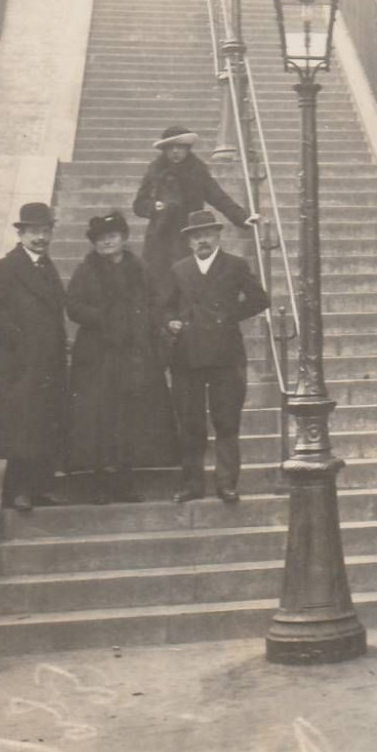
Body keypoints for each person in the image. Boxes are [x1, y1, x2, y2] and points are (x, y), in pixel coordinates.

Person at [65, 211, 178, 504]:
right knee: (100, 419)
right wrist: (104, 319)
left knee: (130, 419)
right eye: (101, 238)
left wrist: (153, 328)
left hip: (133, 356)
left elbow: (155, 303)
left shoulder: (139, 268)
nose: (107, 242)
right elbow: (73, 306)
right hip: (98, 358)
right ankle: (101, 483)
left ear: (124, 238)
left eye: (112, 236)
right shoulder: (86, 269)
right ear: (94, 243)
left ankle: (125, 482)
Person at [163, 210, 269, 504]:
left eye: (207, 234)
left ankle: (227, 483)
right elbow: (166, 307)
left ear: (218, 236)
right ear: (189, 242)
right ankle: (192, 484)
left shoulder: (235, 266)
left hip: (226, 355)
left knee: (227, 422)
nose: (202, 241)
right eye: (196, 237)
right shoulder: (179, 270)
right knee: (190, 422)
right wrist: (171, 322)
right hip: (188, 355)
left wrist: (229, 316)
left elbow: (261, 299)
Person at [0, 202, 68, 512]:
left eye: (45, 231)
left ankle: (40, 488)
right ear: (22, 233)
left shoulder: (47, 266)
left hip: (48, 361)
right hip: (20, 362)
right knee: (21, 425)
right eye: (34, 232)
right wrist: (17, 338)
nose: (41, 238)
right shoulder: (4, 267)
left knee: (44, 422)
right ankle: (19, 491)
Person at [133, 124, 260, 296]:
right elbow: (139, 205)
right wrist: (154, 207)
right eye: (171, 148)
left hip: (188, 235)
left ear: (188, 149)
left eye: (180, 147)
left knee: (186, 281)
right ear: (165, 150)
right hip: (159, 237)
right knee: (157, 283)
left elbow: (218, 197)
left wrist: (242, 217)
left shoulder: (197, 171)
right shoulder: (155, 170)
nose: (175, 152)